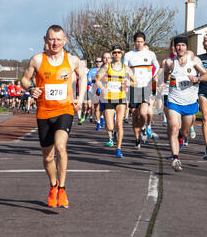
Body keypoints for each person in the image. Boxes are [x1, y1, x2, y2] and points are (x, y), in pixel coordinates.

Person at [21, 25, 87, 209]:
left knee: (60, 146)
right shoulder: (37, 60)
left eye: (59, 39)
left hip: (65, 110)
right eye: (51, 39)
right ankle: (53, 186)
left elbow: (83, 77)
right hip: (44, 112)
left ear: (65, 40)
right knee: (48, 157)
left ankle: (63, 189)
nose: (55, 43)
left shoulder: (72, 60)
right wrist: (30, 88)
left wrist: (80, 99)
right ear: (45, 40)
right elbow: (24, 79)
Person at [163, 36, 207, 171]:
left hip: (189, 102)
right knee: (174, 128)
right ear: (174, 47)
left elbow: (206, 75)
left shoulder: (193, 61)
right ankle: (176, 158)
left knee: (184, 132)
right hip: (174, 101)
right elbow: (165, 76)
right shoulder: (169, 62)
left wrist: (198, 78)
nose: (180, 48)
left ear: (186, 47)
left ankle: (182, 138)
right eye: (178, 45)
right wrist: (163, 83)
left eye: (183, 45)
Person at [95, 45, 136, 158]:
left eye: (119, 52)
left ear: (121, 54)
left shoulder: (125, 67)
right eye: (114, 52)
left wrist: (128, 84)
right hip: (108, 98)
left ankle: (119, 148)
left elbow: (134, 81)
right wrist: (102, 88)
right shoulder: (107, 66)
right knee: (110, 126)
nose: (117, 54)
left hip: (121, 98)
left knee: (119, 124)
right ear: (112, 54)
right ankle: (112, 133)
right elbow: (97, 79)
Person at [123, 32, 159, 149]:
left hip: (145, 87)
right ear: (134, 42)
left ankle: (143, 128)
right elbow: (124, 68)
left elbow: (157, 66)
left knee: (143, 112)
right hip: (133, 87)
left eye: (141, 42)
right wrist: (127, 79)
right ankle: (137, 139)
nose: (139, 44)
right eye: (137, 42)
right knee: (134, 115)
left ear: (144, 42)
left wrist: (155, 76)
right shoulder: (129, 55)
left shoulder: (150, 54)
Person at [87, 56, 103, 129]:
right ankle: (98, 122)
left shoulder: (105, 70)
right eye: (97, 61)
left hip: (103, 91)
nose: (98, 63)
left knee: (103, 107)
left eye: (100, 61)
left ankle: (102, 117)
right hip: (95, 91)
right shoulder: (91, 70)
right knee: (96, 108)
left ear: (102, 62)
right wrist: (91, 83)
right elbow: (88, 80)